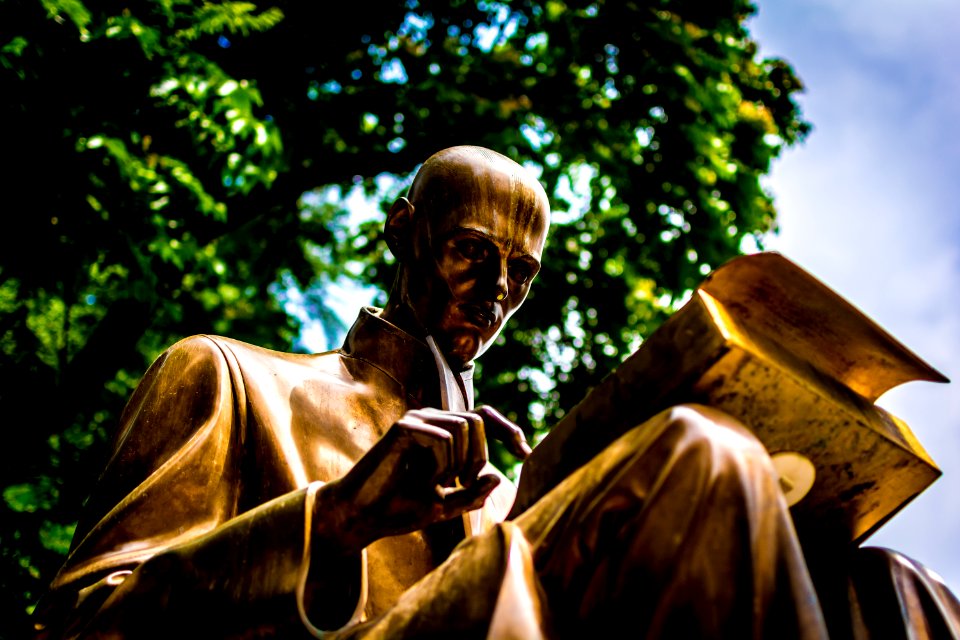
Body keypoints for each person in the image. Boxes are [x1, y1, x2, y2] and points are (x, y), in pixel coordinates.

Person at [32, 146, 960, 639]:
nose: (496, 295)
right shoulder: (229, 378)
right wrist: (338, 519)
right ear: (403, 233)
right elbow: (79, 627)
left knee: (889, 590)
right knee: (699, 454)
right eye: (472, 252)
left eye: (520, 275)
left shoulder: (519, 493)